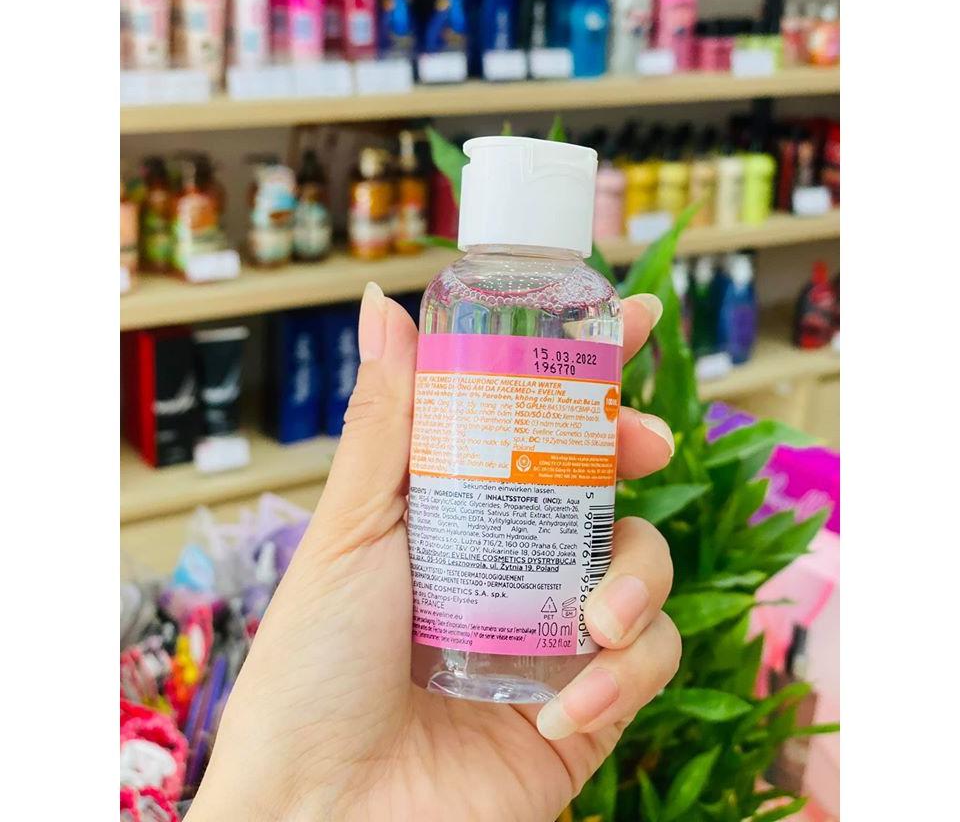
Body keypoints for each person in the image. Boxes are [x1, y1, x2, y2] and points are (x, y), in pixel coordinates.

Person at [188, 285, 680, 821]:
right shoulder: (459, 295)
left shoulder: (581, 303)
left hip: (513, 713)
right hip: (435, 668)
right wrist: (294, 796)